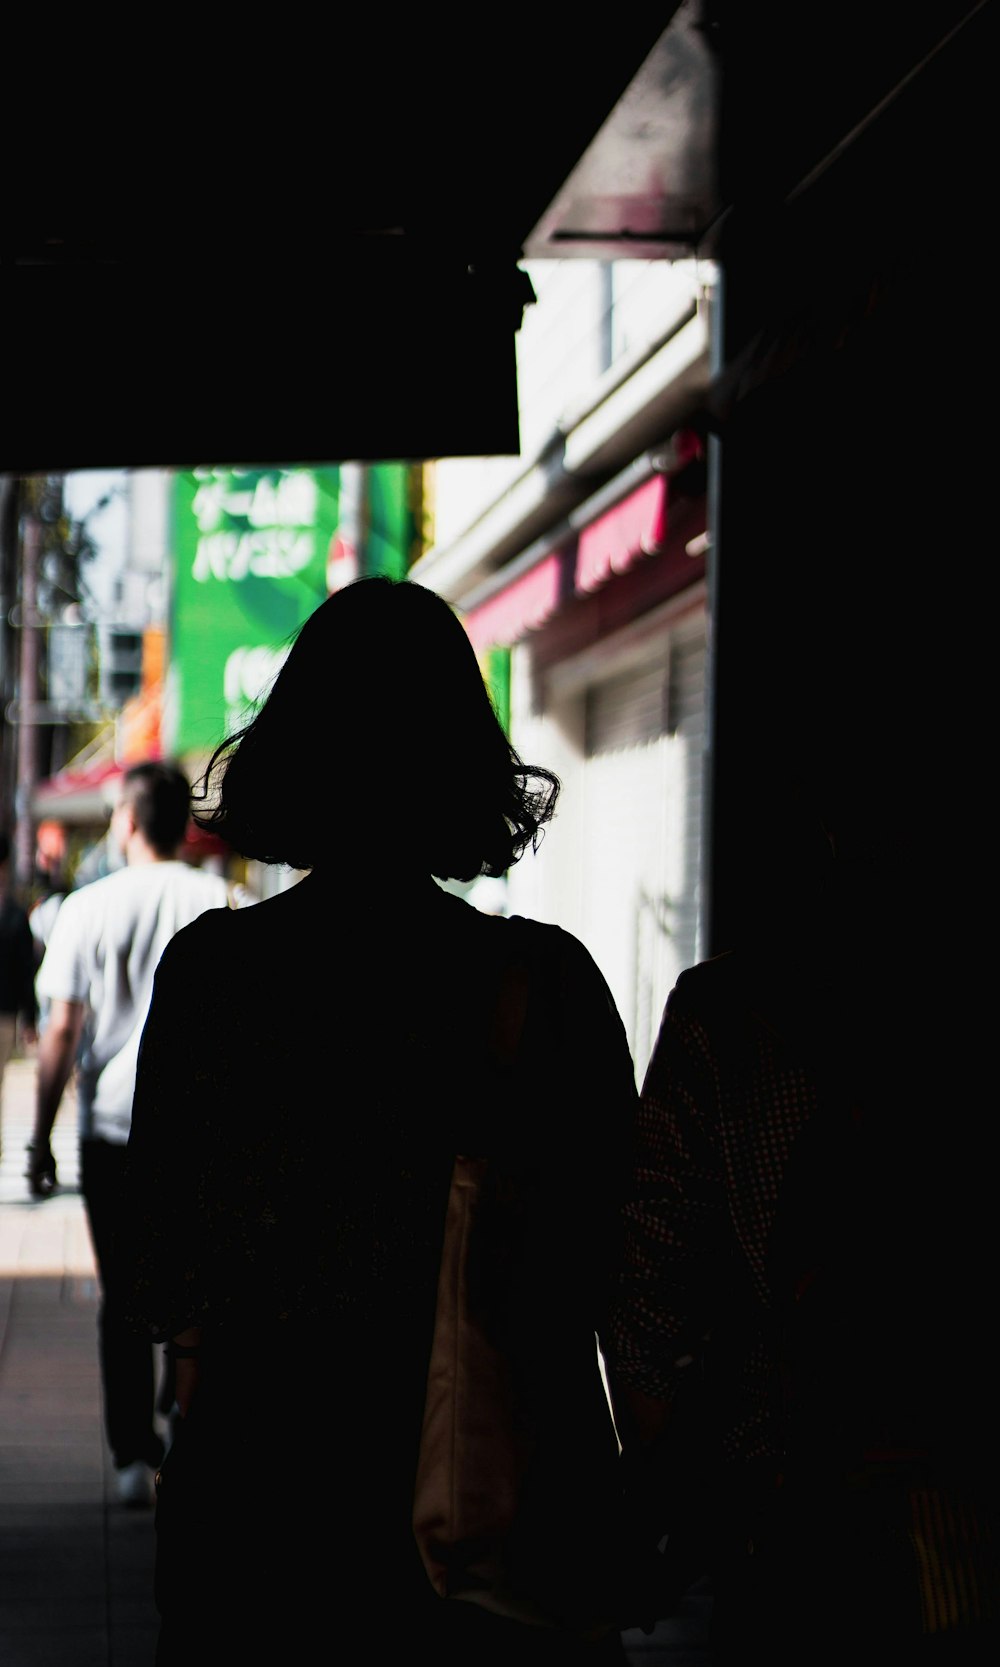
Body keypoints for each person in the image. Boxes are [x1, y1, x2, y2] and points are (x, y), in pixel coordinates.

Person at [113, 577, 639, 1665]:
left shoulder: (215, 979)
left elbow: (160, 1272)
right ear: (462, 762)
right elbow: (605, 1275)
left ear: (294, 754)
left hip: (261, 1541)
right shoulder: (545, 986)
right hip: (485, 1545)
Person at [606, 762, 998, 1663]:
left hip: (783, 1510)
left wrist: (675, 1484)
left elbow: (647, 1288)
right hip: (956, 1505)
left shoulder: (730, 1017)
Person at [27, 760, 232, 1506]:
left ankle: (128, 1457)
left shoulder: (88, 907)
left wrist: (39, 1135)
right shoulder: (218, 902)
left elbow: (60, 1030)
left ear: (130, 821)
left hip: (112, 1130)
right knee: (199, 1284)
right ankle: (187, 1419)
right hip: (204, 1132)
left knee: (123, 1294)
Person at [0, 830, 38, 1168]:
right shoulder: (13, 915)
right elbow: (27, 970)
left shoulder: (14, 915)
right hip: (6, 1012)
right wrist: (30, 1016)